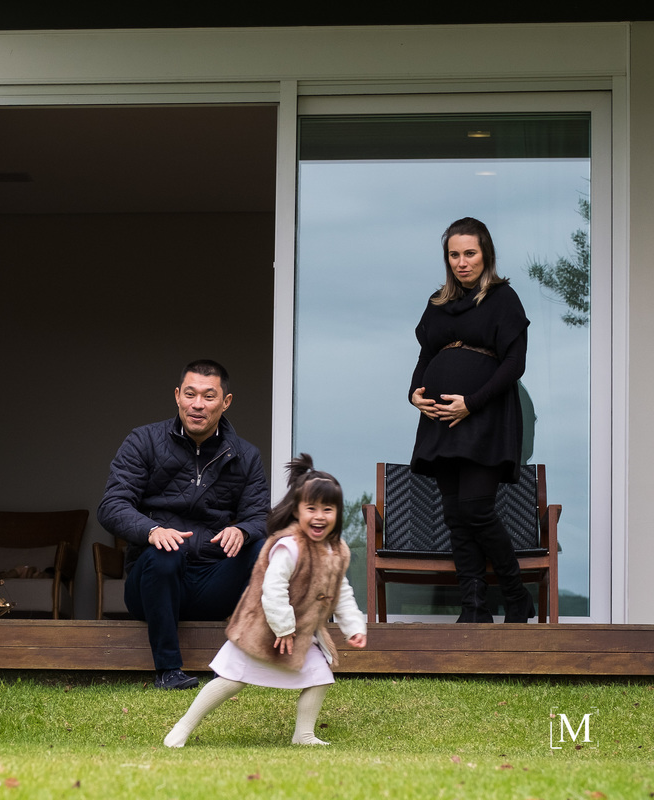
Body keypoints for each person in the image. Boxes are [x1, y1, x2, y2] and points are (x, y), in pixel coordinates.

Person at [164, 455, 366, 747]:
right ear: (297, 511)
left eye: (328, 509)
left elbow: (341, 591)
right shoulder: (289, 546)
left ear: (338, 513)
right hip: (264, 627)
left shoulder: (336, 550)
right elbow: (272, 589)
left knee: (320, 677)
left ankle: (304, 734)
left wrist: (354, 626)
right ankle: (184, 726)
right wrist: (283, 627)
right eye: (311, 508)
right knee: (232, 679)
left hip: (303, 633)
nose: (319, 516)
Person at [97, 359, 269, 690]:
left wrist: (243, 530)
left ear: (225, 402)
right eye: (190, 394)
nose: (197, 405)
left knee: (265, 550)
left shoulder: (246, 456)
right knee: (165, 553)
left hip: (212, 580)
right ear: (177, 396)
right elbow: (111, 505)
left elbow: (260, 516)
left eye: (208, 396)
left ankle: (253, 662)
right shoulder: (143, 441)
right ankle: (168, 670)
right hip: (152, 584)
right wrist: (152, 531)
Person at [409, 217, 535, 624]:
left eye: (470, 253)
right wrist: (414, 392)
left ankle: (516, 597)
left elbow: (514, 364)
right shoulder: (438, 303)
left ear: (486, 254)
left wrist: (472, 402)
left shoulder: (503, 298)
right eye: (454, 255)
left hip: (485, 418)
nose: (462, 262)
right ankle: (474, 608)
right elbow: (426, 356)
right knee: (454, 515)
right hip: (441, 421)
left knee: (476, 509)